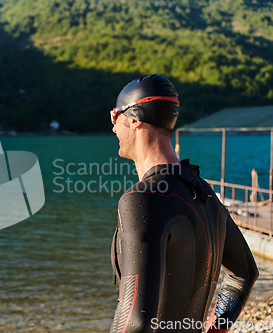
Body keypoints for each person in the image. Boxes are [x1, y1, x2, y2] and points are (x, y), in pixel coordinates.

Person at [109, 74, 259, 333]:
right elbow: (244, 274)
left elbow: (135, 322)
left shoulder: (141, 200)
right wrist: (215, 329)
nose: (112, 127)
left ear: (134, 119)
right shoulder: (205, 194)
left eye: (114, 116)